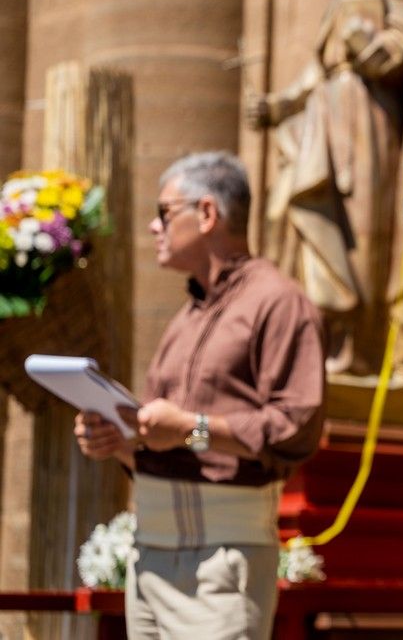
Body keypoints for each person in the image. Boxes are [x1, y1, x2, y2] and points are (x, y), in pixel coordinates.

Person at [74, 151, 325, 640]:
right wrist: (119, 441)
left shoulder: (279, 302)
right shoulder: (185, 317)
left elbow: (296, 425)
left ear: (207, 213)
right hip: (148, 555)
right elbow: (163, 439)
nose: (152, 226)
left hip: (222, 563)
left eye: (164, 212)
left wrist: (192, 429)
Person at [247, 0, 403, 386]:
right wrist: (278, 106)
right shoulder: (338, 5)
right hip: (325, 129)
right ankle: (331, 342)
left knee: (366, 233)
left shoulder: (393, 1)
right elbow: (316, 72)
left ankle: (369, 348)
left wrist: (370, 49)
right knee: (311, 219)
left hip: (370, 130)